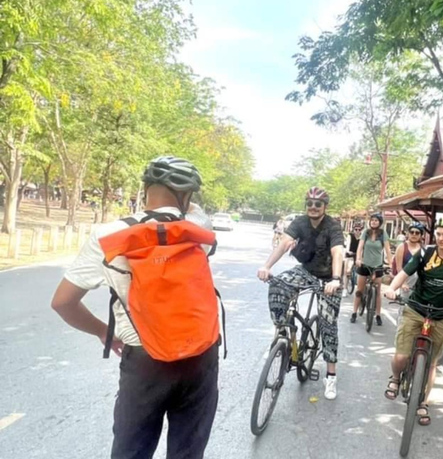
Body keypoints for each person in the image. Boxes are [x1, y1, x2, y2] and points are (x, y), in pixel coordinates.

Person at [51, 156, 219, 459]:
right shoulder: (198, 229)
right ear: (187, 194)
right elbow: (192, 212)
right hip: (200, 357)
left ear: (144, 189)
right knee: (188, 451)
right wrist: (185, 203)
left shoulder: (107, 237)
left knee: (132, 452)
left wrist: (104, 333)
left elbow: (63, 302)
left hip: (144, 361)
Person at [383, 217, 443, 426]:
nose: (441, 238)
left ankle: (424, 402)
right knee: (401, 356)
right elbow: (404, 273)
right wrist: (392, 288)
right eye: (438, 234)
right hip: (415, 309)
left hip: (441, 314)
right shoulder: (425, 253)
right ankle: (396, 378)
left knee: (432, 363)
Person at [257, 187, 345, 400]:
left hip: (328, 279)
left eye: (318, 204)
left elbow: (338, 252)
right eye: (309, 204)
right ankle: (282, 331)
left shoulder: (333, 226)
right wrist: (266, 266)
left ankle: (331, 376)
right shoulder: (299, 222)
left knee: (328, 324)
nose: (313, 208)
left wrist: (335, 279)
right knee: (278, 285)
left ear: (325, 207)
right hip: (306, 271)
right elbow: (284, 243)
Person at [351, 212, 393, 326]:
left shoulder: (383, 234)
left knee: (378, 291)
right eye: (372, 220)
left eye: (376, 220)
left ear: (380, 223)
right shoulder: (365, 232)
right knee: (359, 290)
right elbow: (360, 247)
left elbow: (388, 250)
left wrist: (390, 264)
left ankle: (378, 315)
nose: (374, 222)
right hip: (365, 265)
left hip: (377, 266)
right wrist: (358, 259)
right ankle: (354, 312)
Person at [392, 221, 425, 291]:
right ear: (408, 234)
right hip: (405, 281)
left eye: (417, 233)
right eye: (412, 232)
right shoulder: (402, 247)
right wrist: (403, 283)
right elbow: (399, 268)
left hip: (418, 284)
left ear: (421, 235)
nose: (414, 234)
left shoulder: (423, 249)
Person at [343, 222, 364, 295]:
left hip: (358, 255)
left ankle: (360, 288)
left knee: (363, 270)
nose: (357, 231)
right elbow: (347, 245)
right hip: (350, 254)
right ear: (353, 230)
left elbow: (363, 248)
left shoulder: (363, 237)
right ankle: (345, 289)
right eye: (356, 229)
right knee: (347, 271)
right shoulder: (350, 236)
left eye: (359, 229)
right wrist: (348, 251)